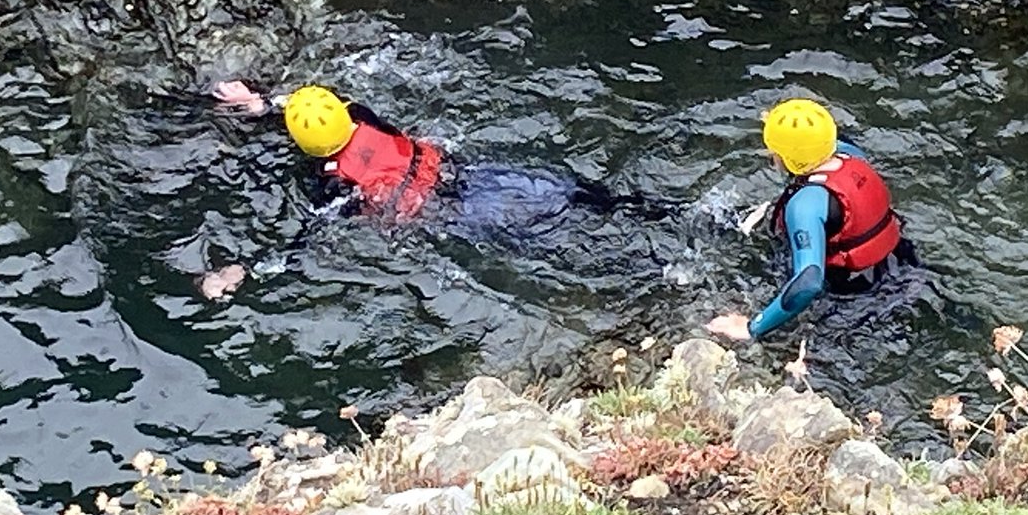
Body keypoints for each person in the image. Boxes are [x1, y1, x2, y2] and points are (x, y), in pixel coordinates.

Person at [211, 79, 672, 231]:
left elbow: (319, 224)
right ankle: (656, 210)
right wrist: (264, 101)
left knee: (548, 233)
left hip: (446, 214)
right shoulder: (360, 114)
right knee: (569, 194)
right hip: (463, 173)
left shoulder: (331, 179)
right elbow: (320, 110)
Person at [707, 98, 915, 341]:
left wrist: (751, 328)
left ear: (786, 157)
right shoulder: (851, 156)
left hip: (853, 297)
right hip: (902, 264)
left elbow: (808, 282)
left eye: (773, 151)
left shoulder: (804, 206)